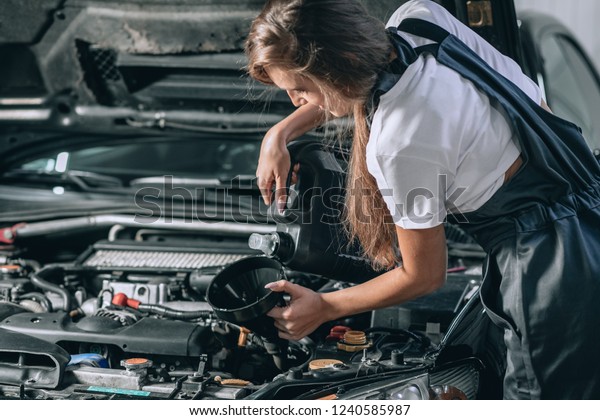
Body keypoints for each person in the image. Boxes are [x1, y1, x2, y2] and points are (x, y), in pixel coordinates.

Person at [244, 0, 600, 399]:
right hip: (587, 211)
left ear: (339, 66)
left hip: (547, 269)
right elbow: (353, 87)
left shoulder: (398, 144)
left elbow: (424, 275)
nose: (296, 101)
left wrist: (325, 306)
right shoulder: (420, 20)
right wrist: (279, 134)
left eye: (300, 89)